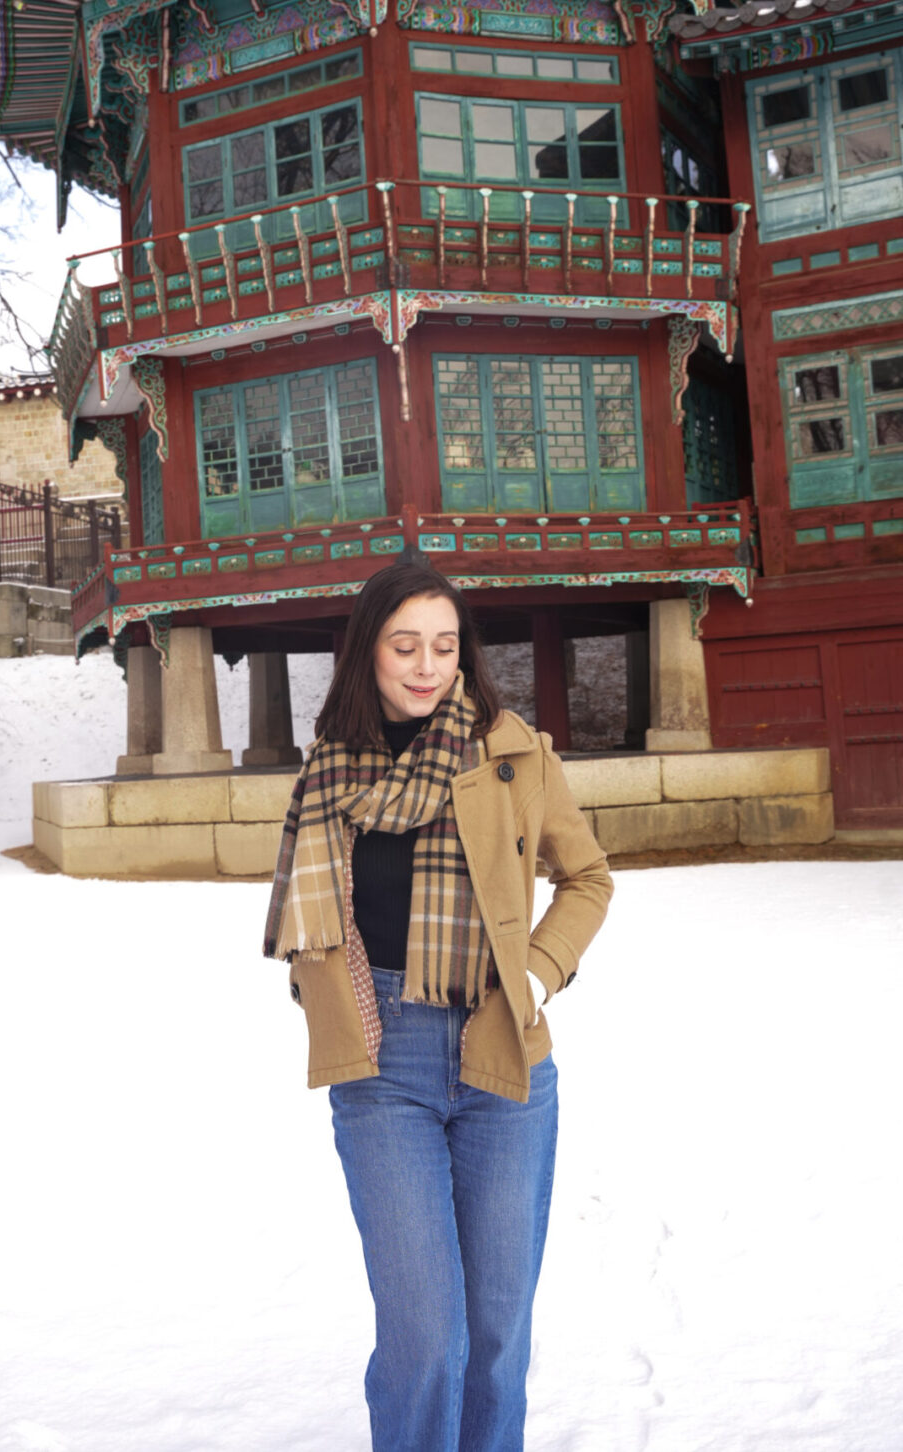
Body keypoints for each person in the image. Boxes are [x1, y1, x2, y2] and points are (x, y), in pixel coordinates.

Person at [263, 562, 613, 1452]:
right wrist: (317, 989)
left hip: (502, 1056)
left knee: (496, 1340)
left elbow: (588, 879)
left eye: (444, 646)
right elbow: (308, 913)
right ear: (367, 652)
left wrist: (536, 973)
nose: (426, 666)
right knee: (426, 1340)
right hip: (383, 1066)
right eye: (405, 645)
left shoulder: (513, 753)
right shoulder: (328, 771)